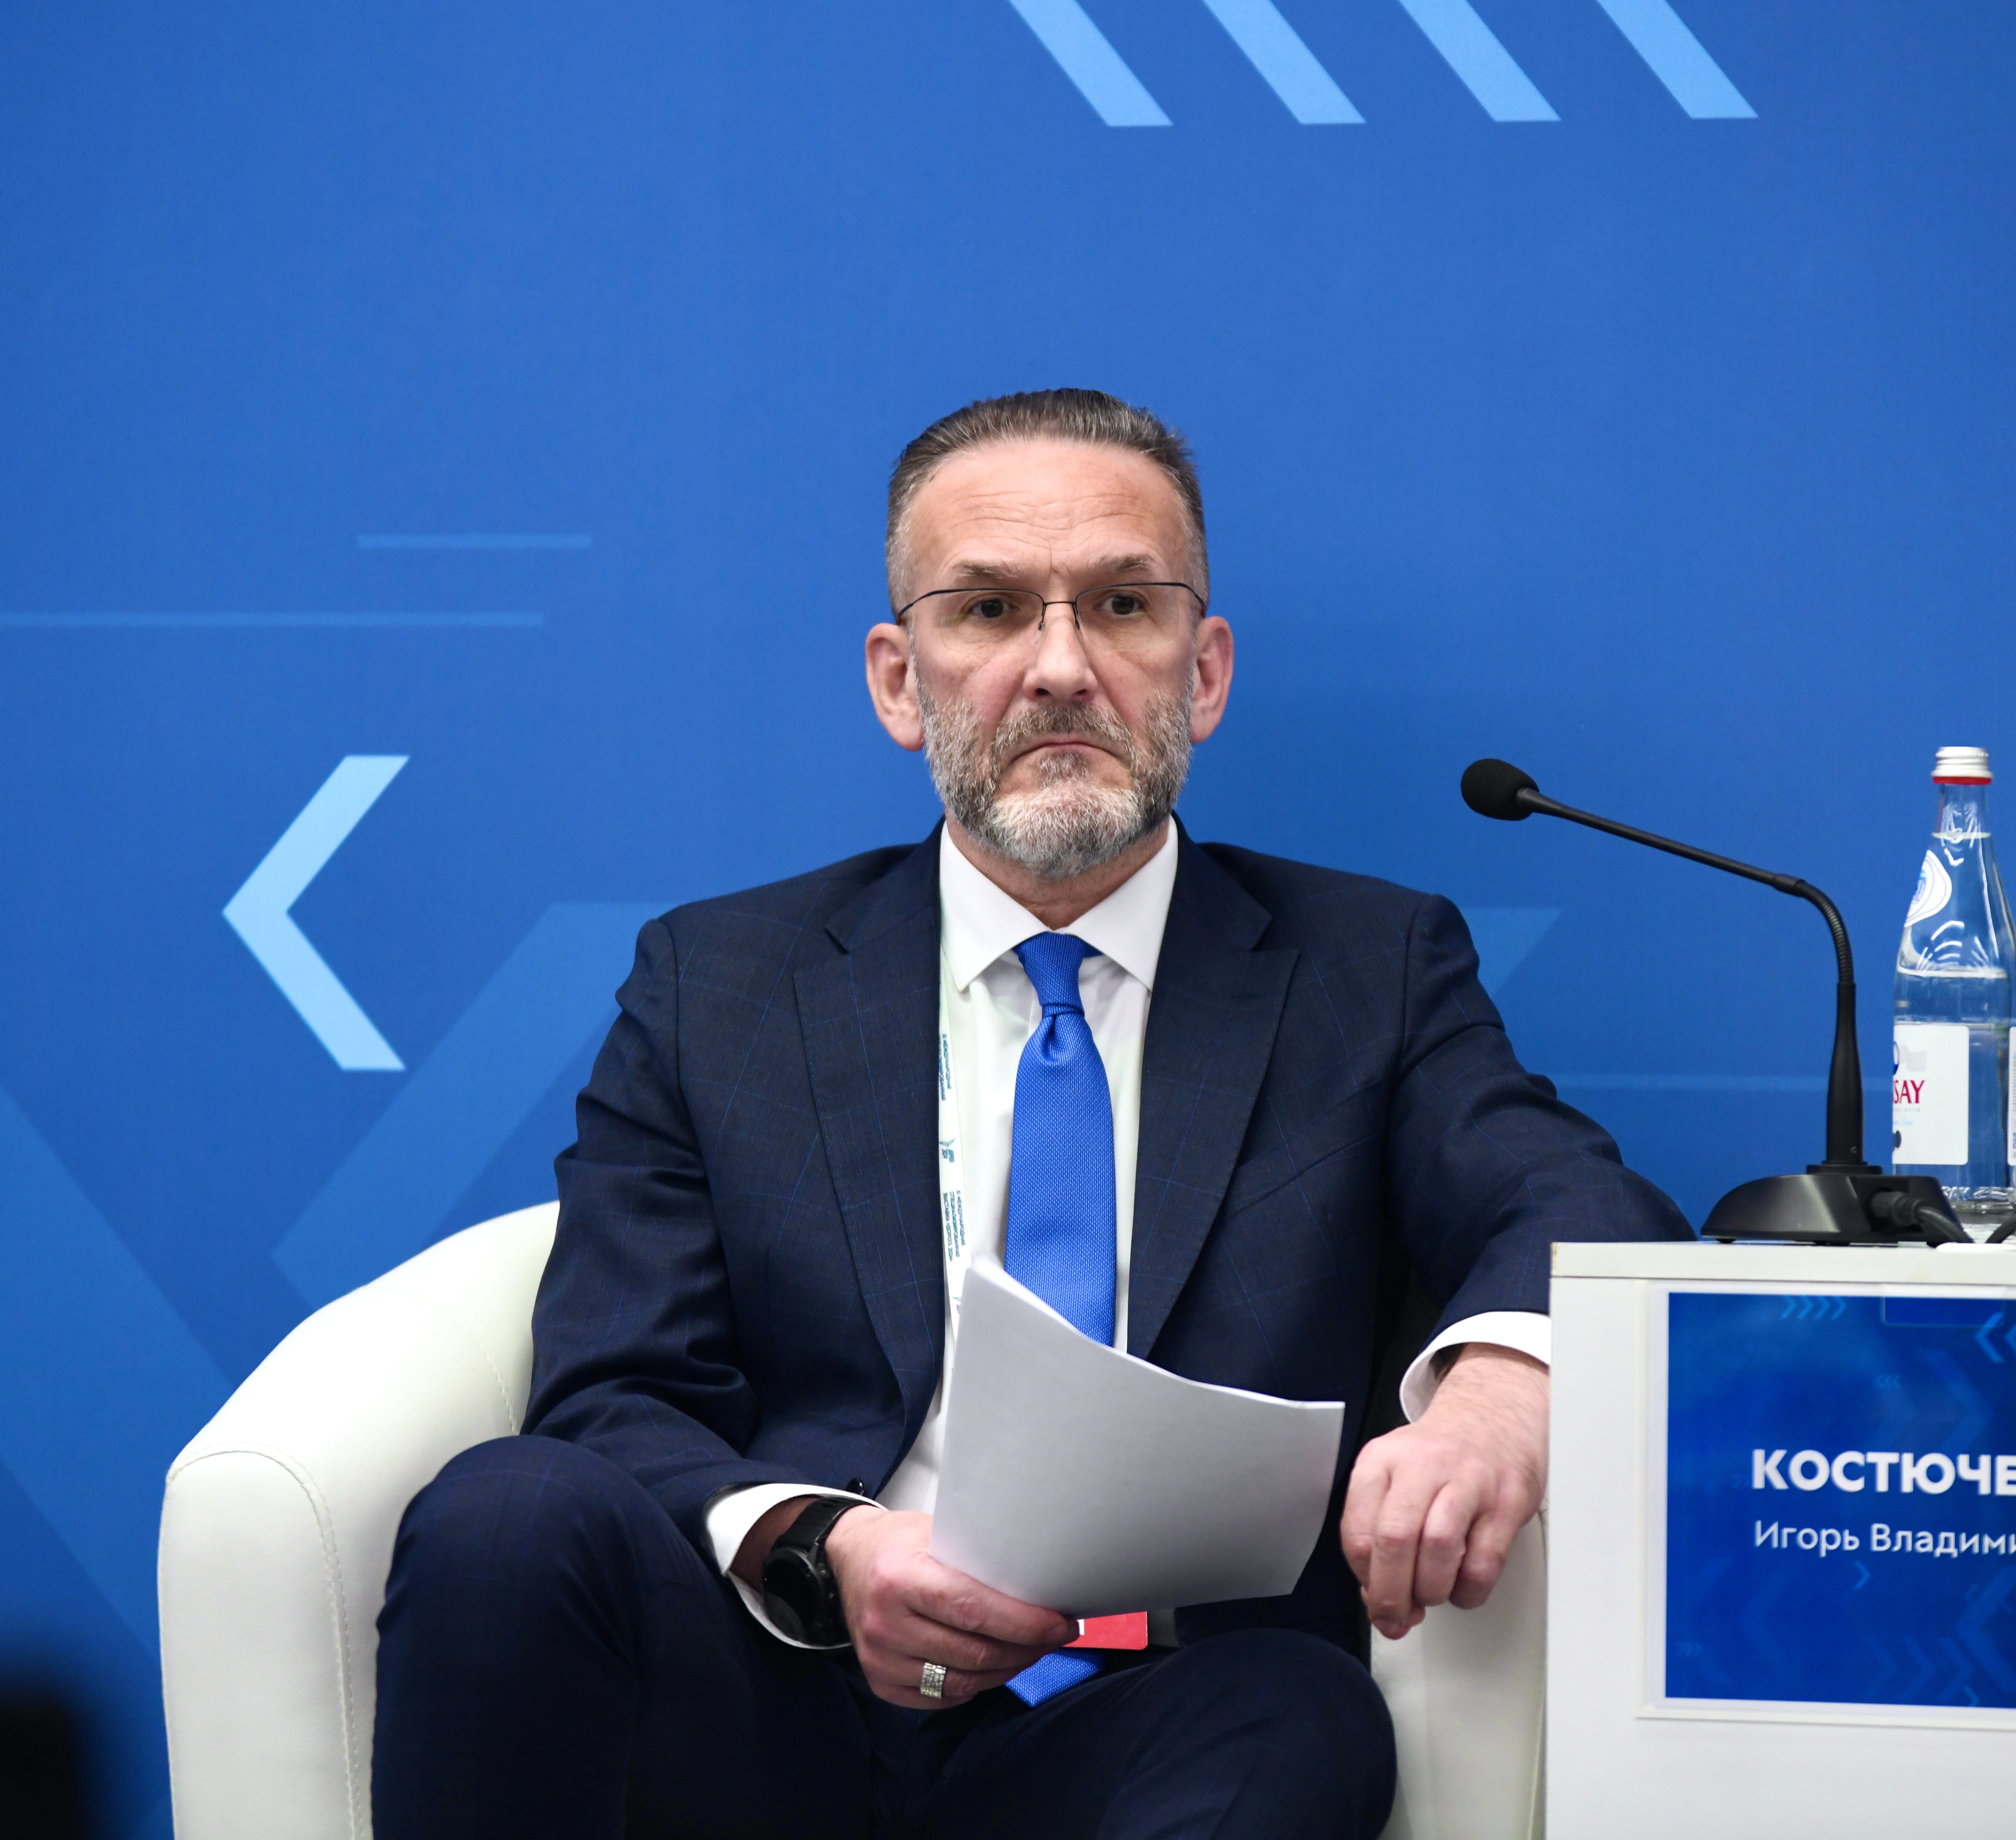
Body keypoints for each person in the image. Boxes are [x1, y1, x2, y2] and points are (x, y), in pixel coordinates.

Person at [370, 389, 1690, 1838]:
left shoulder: (1365, 968)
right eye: (990, 610)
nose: (1060, 669)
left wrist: (1495, 1398)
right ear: (899, 682)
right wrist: (825, 1547)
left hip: (1176, 1705)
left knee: (1297, 1712)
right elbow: (613, 1393)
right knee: (508, 1511)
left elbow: (1573, 1199)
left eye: (1122, 605)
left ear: (1202, 672)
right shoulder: (720, 984)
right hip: (786, 1692)